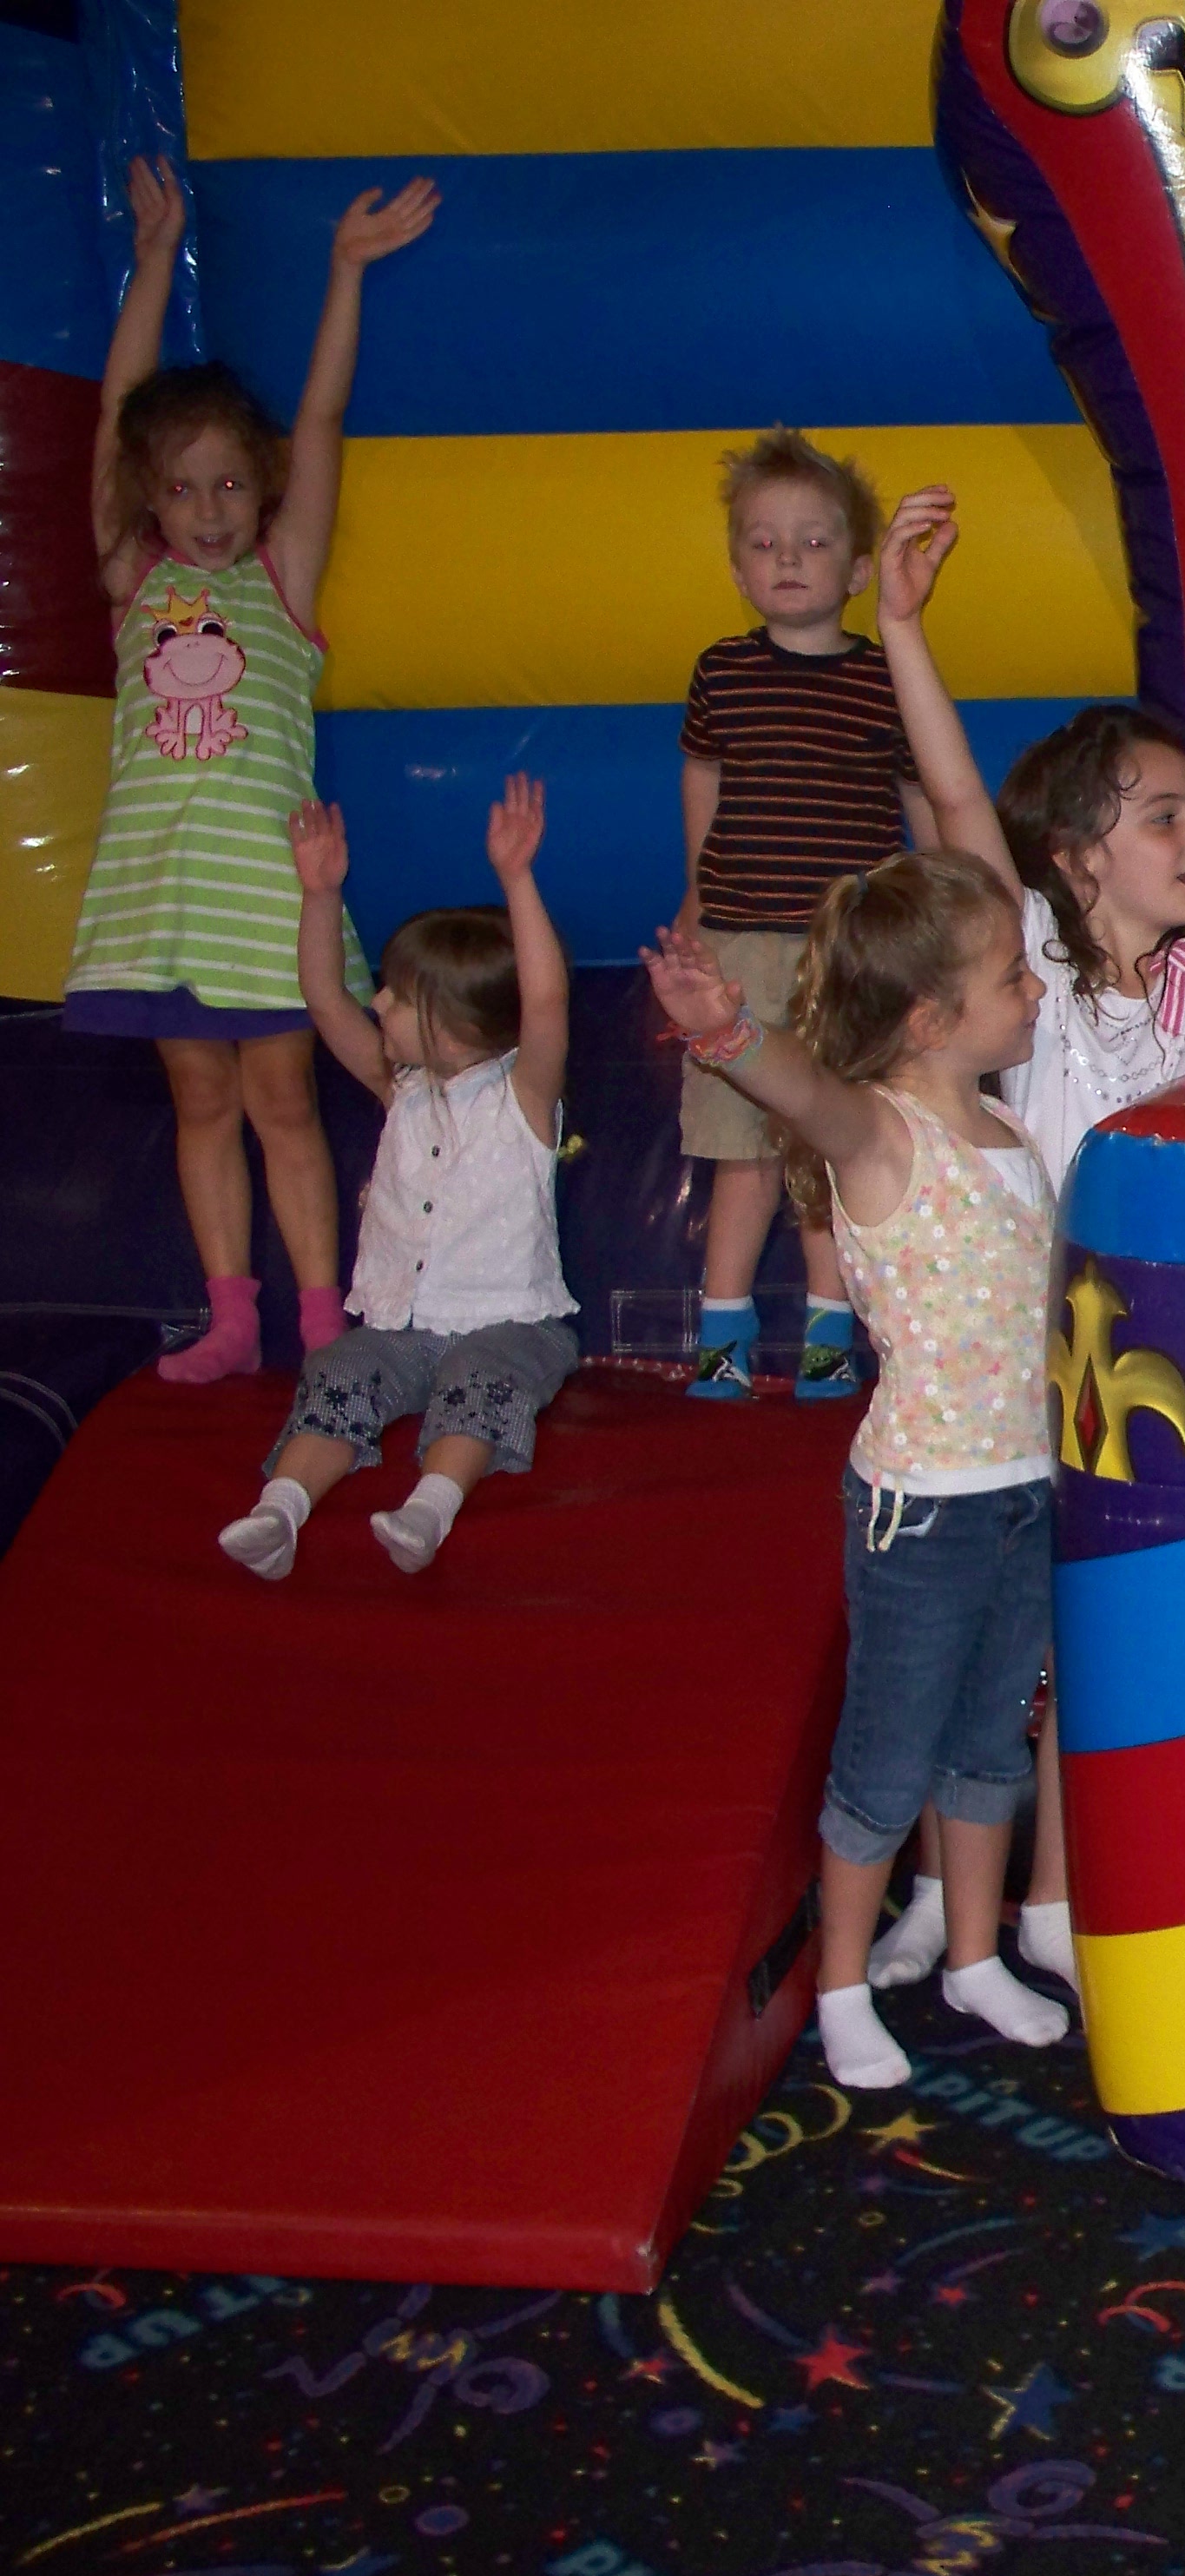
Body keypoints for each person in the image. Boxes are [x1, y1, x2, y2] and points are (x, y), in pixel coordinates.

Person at [847, 484, 1185, 1999]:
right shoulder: (1033, 978)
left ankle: (1042, 1897)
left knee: (1075, 1645)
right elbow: (958, 805)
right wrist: (900, 625)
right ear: (1075, 857)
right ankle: (943, 1892)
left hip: (1153, 1375)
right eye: (1161, 816)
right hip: (1018, 1368)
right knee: (973, 1645)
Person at [643, 854, 1076, 2091]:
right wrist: (727, 1033)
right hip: (921, 1513)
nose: (1036, 991)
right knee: (889, 1759)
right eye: (1012, 976)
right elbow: (807, 1091)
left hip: (1023, 1490)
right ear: (931, 1019)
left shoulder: (1010, 1131)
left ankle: (975, 1957)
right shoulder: (883, 1135)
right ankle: (840, 1986)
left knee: (990, 1745)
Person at [65, 155, 438, 1382]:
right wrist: (152, 260)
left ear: (260, 488)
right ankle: (231, 1317)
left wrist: (346, 271)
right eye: (181, 489)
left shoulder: (282, 579)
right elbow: (116, 413)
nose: (210, 508)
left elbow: (318, 424)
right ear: (149, 498)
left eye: (230, 483)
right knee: (201, 1103)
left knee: (284, 1101)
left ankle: (321, 1317)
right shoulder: (135, 580)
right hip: (167, 899)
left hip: (266, 901)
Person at [218, 778, 575, 1578]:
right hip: (402, 1327)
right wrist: (321, 894)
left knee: (480, 1381)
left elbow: (546, 999)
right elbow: (323, 997)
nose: (377, 1002)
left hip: (510, 1324)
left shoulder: (522, 1097)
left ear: (455, 1024)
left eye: (400, 996)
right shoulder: (401, 1090)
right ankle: (280, 1511)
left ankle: (428, 1511)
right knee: (338, 1370)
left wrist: (517, 879)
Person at [674, 430, 935, 1402]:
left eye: (814, 541)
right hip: (739, 939)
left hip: (844, 953)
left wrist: (931, 913)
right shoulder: (722, 672)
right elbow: (704, 779)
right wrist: (695, 896)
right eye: (764, 542)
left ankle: (831, 1333)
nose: (787, 558)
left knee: (833, 1143)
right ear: (738, 567)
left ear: (860, 569)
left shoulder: (883, 677)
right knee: (740, 1149)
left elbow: (920, 799)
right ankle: (723, 1333)